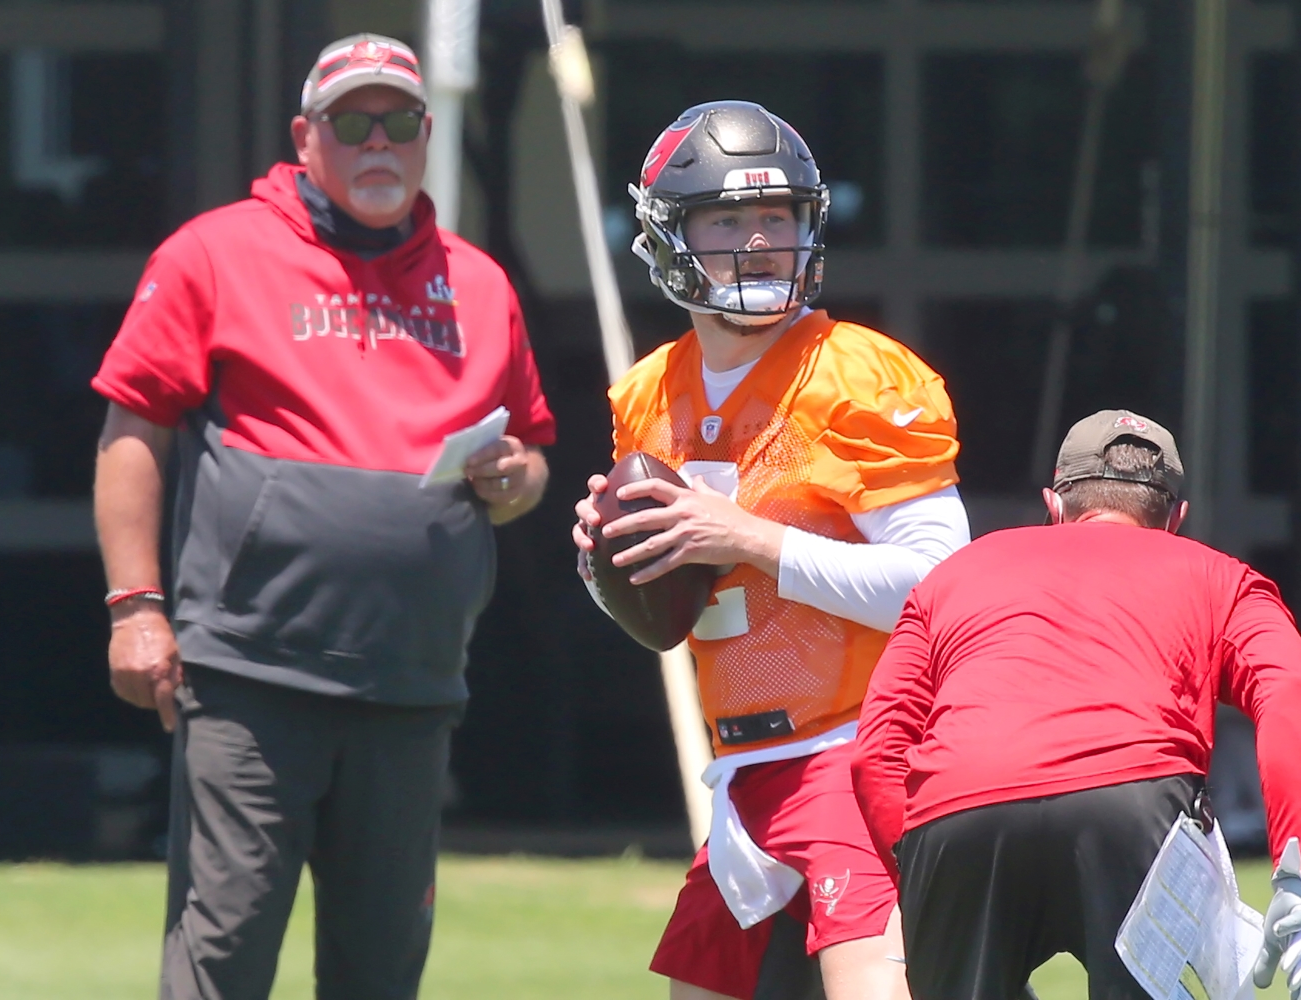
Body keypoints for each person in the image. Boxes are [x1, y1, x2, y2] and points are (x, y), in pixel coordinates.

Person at [91, 34, 554, 1000]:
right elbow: (134, 430)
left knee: (381, 971)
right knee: (222, 960)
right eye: (352, 122)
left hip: (412, 685)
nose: (376, 142)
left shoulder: (479, 282)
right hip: (252, 678)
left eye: (399, 123)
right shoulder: (215, 253)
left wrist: (519, 480)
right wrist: (136, 606)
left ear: (427, 137)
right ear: (307, 138)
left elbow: (531, 461)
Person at [571, 101, 971, 1000]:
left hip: (860, 749)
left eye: (777, 216)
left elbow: (942, 592)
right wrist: (606, 561)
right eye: (726, 218)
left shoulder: (860, 373)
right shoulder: (646, 393)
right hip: (742, 768)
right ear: (670, 236)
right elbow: (672, 611)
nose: (758, 240)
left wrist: (745, 536)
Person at [851, 410, 1301, 1000]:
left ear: (1054, 506)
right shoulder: (1225, 579)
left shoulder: (951, 576)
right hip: (1134, 807)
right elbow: (1288, 696)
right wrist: (1299, 866)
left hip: (958, 810)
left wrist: (916, 872)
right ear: (1177, 519)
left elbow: (877, 747)